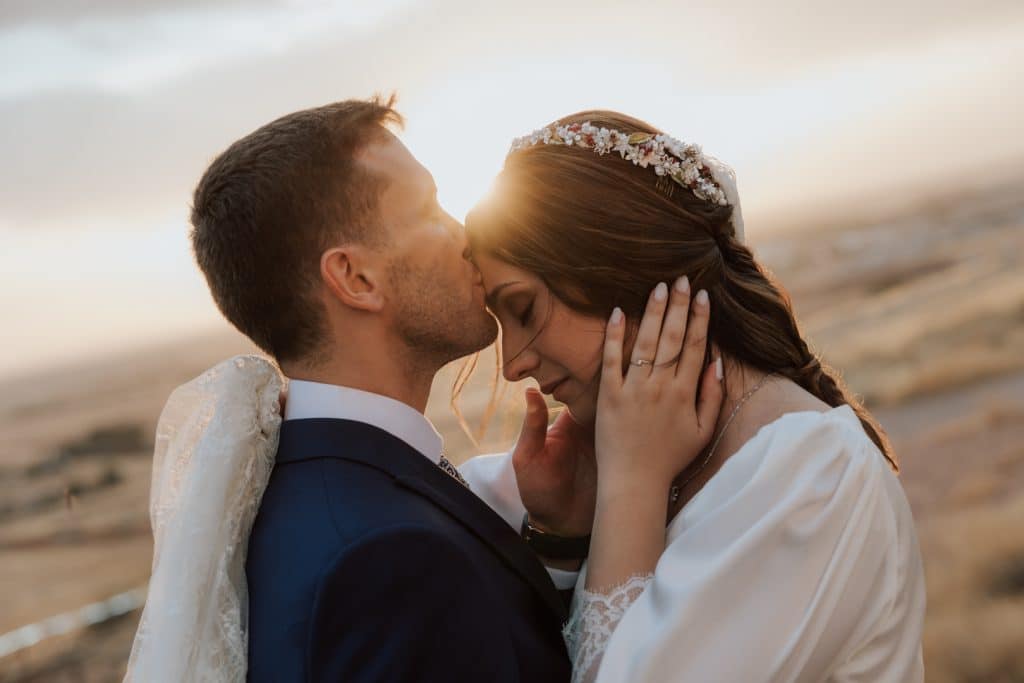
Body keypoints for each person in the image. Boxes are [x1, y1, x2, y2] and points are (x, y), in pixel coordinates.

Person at [124, 98, 665, 682]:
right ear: (356, 279)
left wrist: (556, 540)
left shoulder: (297, 495)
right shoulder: (388, 557)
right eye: (431, 208)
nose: (465, 235)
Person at [461, 112, 927, 682]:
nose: (513, 365)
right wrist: (563, 538)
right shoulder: (606, 457)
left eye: (525, 309)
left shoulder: (814, 477)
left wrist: (634, 482)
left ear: (621, 269)